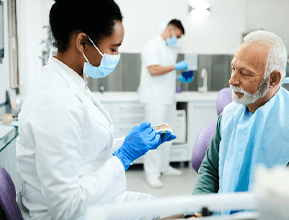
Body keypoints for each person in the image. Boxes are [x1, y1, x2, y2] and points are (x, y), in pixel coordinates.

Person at [16, 0, 176, 219]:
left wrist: (129, 143)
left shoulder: (70, 82)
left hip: (87, 200)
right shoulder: (55, 101)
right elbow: (65, 208)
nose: (116, 56)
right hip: (67, 214)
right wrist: (124, 156)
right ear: (82, 42)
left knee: (163, 209)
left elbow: (85, 150)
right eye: (113, 48)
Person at [187, 30, 289, 217]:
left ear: (273, 79)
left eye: (244, 73)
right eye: (233, 68)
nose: (232, 80)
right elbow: (210, 169)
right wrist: (198, 209)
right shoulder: (229, 115)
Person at [139, 19, 190, 188]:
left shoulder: (168, 48)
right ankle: (151, 173)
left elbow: (166, 71)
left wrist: (178, 77)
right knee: (155, 135)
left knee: (167, 134)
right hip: (155, 98)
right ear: (170, 29)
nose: (177, 40)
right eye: (177, 36)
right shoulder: (152, 45)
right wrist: (175, 67)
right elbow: (153, 70)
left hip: (167, 97)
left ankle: (163, 167)